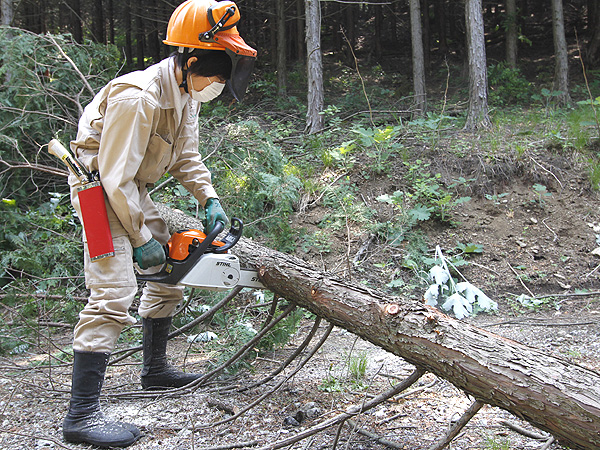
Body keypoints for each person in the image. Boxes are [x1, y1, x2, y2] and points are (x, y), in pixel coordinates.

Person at [61, 0, 257, 447]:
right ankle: (81, 415)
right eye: (214, 76)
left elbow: (186, 156)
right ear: (190, 61)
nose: (216, 87)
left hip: (128, 188)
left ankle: (154, 369)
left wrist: (208, 198)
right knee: (114, 292)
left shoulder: (185, 92)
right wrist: (139, 237)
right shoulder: (139, 97)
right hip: (96, 193)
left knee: (173, 265)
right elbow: (113, 179)